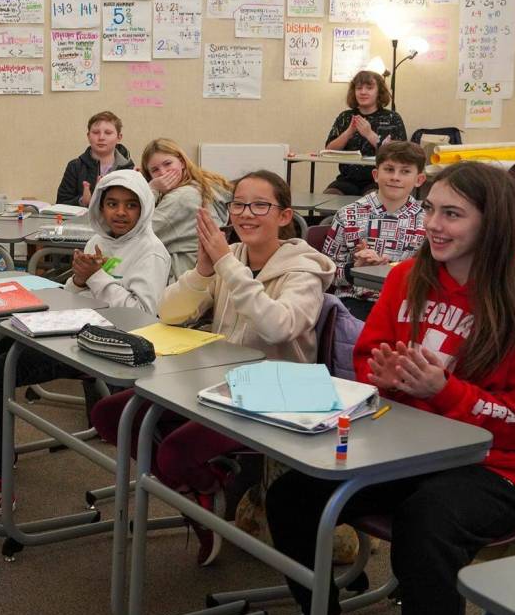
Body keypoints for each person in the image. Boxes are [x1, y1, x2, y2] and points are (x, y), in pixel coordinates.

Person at [262, 161, 515, 615]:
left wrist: (443, 391)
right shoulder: (406, 278)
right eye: (430, 210)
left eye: (453, 214)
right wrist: (378, 375)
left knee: (425, 525)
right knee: (293, 496)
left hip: (495, 466)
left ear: (491, 224)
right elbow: (369, 357)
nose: (433, 225)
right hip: (407, 445)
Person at [91, 170, 334, 564]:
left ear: (285, 216)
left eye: (260, 205)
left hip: (272, 394)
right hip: (217, 384)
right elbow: (168, 313)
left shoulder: (304, 269)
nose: (246, 214)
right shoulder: (229, 259)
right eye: (238, 204)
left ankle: (199, 497)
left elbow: (278, 326)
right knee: (109, 414)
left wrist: (226, 264)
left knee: (174, 453)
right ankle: (201, 496)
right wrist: (205, 270)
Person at [0, 170, 171, 521]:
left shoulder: (151, 252)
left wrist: (96, 277)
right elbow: (73, 296)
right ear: (101, 207)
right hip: (72, 329)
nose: (120, 212)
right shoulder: (97, 240)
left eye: (131, 205)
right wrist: (77, 279)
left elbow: (142, 316)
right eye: (112, 204)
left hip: (109, 346)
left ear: (144, 208)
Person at [322, 141, 427, 320]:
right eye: (389, 169)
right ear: (376, 175)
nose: (395, 177)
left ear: (419, 180)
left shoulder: (428, 222)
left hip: (406, 303)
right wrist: (354, 269)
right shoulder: (348, 215)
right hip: (356, 302)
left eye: (405, 171)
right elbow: (325, 272)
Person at [141, 138, 233, 281]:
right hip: (202, 276)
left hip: (181, 278)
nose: (163, 172)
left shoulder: (181, 197)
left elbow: (139, 234)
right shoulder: (201, 185)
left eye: (167, 164)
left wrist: (150, 190)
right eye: (155, 170)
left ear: (182, 162)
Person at [324, 71, 407, 196]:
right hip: (347, 179)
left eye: (369, 88)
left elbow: (400, 154)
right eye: (359, 88)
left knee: (372, 201)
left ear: (379, 92)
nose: (363, 92)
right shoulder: (345, 117)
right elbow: (329, 150)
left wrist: (369, 134)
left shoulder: (392, 118)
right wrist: (348, 133)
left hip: (379, 180)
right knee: (329, 197)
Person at [56, 110, 135, 207]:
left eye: (108, 133)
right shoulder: (75, 166)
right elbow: (60, 203)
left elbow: (134, 205)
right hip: (83, 221)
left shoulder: (128, 168)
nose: (101, 137)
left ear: (119, 137)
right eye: (96, 132)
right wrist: (82, 201)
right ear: (88, 136)